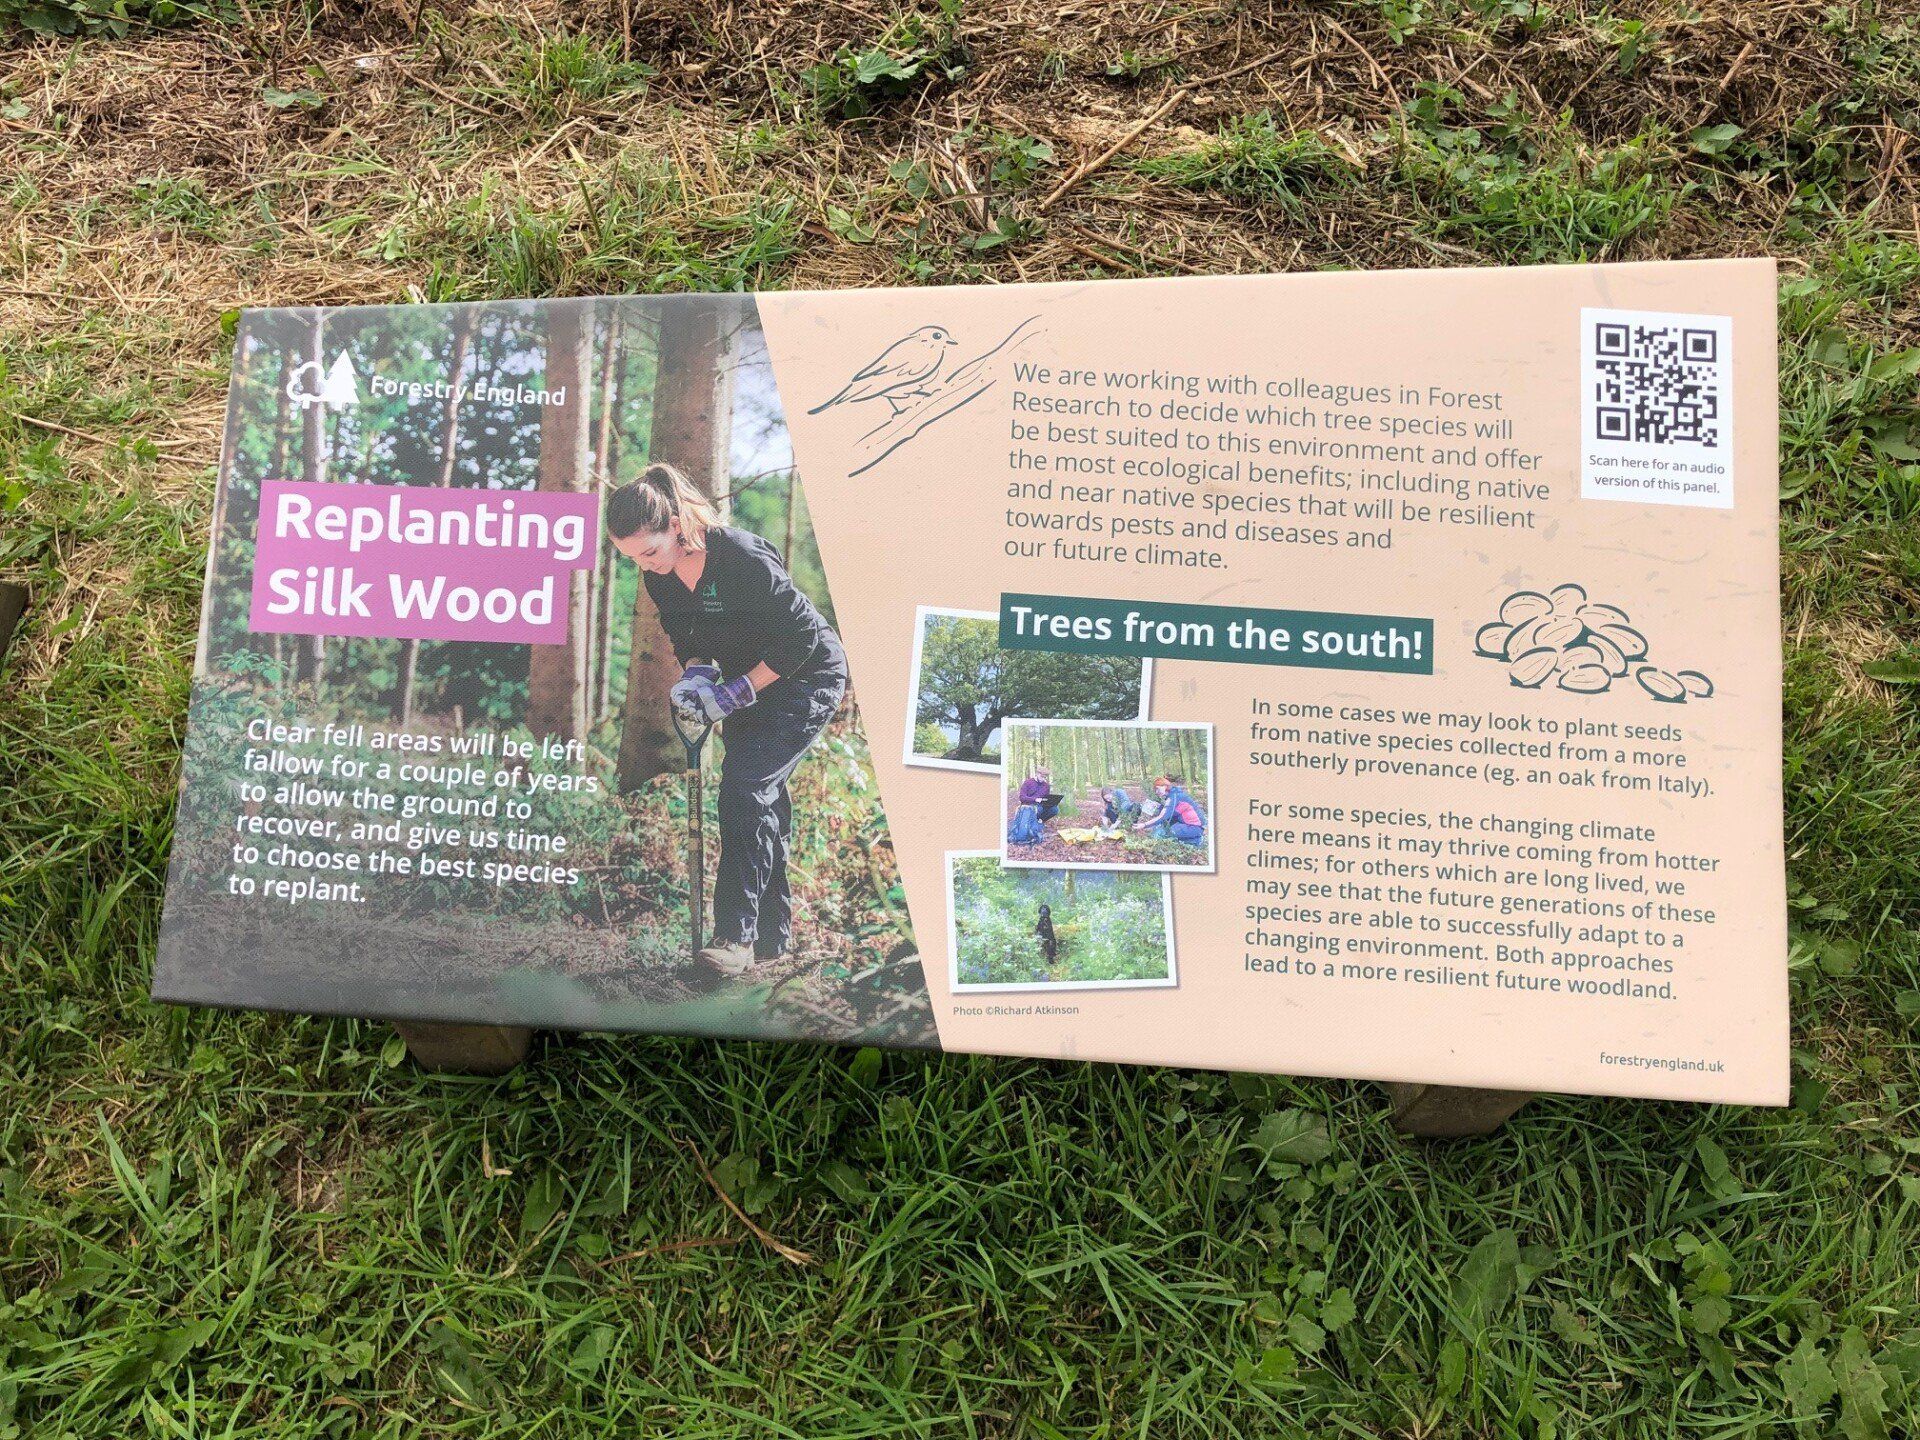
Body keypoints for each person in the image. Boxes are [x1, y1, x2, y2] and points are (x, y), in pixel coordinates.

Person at [607, 463, 849, 977]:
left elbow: (799, 639)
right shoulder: (663, 581)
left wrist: (737, 692)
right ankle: (771, 942)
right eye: (631, 559)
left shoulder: (740, 556)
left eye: (649, 552)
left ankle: (732, 939)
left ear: (675, 523)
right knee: (759, 800)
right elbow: (691, 642)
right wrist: (696, 679)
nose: (645, 567)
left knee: (743, 790)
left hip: (807, 676)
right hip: (749, 683)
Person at [1135, 775, 1207, 848]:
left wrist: (1144, 825)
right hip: (1187, 824)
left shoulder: (1174, 797)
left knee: (1165, 833)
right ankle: (1191, 839)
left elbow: (1163, 817)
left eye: (1157, 789)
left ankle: (1195, 841)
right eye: (1155, 790)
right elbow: (1171, 812)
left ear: (1165, 786)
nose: (1156, 792)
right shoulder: (1174, 793)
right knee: (1162, 829)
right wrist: (1155, 807)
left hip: (1195, 827)